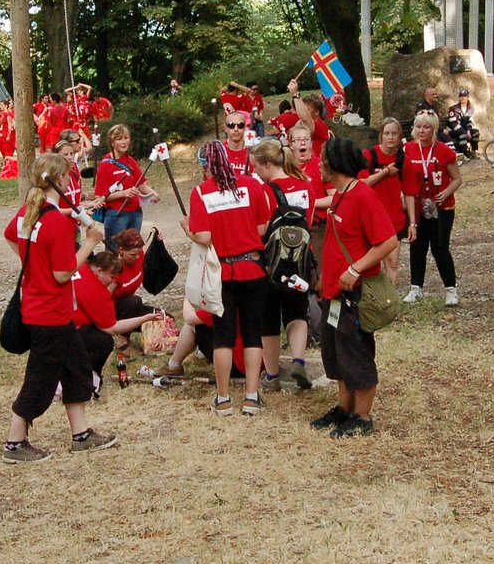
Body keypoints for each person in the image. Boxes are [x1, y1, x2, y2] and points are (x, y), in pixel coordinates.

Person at [2, 152, 118, 463]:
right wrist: (91, 242)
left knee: (77, 367)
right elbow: (63, 273)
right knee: (39, 379)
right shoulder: (54, 222)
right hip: (50, 313)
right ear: (62, 180)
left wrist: (31, 265)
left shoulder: (29, 213)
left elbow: (10, 236)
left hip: (46, 310)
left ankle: (81, 434)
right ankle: (15, 442)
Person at [309, 137, 400, 438]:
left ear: (334, 165)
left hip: (355, 293)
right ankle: (345, 408)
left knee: (356, 353)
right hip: (334, 292)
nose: (319, 165)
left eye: (322, 160)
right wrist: (326, 277)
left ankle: (362, 416)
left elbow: (388, 241)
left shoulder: (362, 196)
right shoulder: (340, 195)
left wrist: (355, 268)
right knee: (336, 352)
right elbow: (337, 242)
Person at [184, 139, 275, 414]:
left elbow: (204, 237)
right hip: (253, 268)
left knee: (223, 336)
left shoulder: (201, 192)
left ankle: (223, 399)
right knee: (251, 334)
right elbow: (262, 226)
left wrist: (188, 230)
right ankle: (251, 395)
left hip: (221, 272)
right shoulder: (251, 185)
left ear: (205, 165)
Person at [250, 138, 316, 390]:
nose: (255, 172)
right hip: (301, 261)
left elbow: (262, 229)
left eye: (256, 166)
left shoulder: (265, 191)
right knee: (297, 313)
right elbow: (308, 221)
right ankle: (299, 360)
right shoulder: (305, 185)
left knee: (269, 318)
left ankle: (273, 375)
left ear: (267, 164)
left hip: (271, 264)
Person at [74, 249, 162, 398]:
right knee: (103, 341)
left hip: (49, 322)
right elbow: (112, 328)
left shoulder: (80, 266)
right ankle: (86, 379)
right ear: (100, 271)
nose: (112, 281)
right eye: (112, 277)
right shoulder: (96, 292)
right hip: (69, 330)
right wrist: (144, 318)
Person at [400, 112, 462, 306]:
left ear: (434, 129)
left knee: (440, 247)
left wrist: (446, 192)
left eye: (426, 127)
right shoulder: (408, 149)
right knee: (417, 246)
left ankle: (451, 289)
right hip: (417, 207)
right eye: (418, 127)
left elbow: (457, 179)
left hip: (441, 207)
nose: (422, 131)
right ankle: (415, 288)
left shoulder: (444, 151)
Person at [361, 119, 408, 282]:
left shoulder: (402, 158)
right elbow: (361, 182)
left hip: (394, 217)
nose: (390, 137)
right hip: (372, 217)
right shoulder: (370, 155)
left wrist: (413, 222)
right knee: (369, 265)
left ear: (399, 136)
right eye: (386, 133)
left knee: (392, 263)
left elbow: (409, 190)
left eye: (394, 133)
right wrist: (384, 172)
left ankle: (390, 301)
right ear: (381, 135)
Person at [93, 124, 158, 241]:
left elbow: (141, 183)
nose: (124, 142)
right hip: (117, 214)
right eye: (119, 139)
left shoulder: (130, 161)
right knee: (116, 252)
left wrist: (153, 194)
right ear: (112, 142)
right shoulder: (105, 165)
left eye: (126, 138)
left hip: (135, 212)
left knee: (133, 248)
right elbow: (100, 197)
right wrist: (123, 193)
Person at [444, 89, 480, 162]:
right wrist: (465, 132)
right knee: (462, 134)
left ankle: (473, 152)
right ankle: (463, 154)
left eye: (465, 96)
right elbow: (453, 124)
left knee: (476, 132)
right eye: (461, 96)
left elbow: (470, 121)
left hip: (464, 130)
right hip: (454, 130)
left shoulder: (471, 109)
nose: (463, 98)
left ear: (468, 97)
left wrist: (469, 131)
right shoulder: (453, 109)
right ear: (459, 98)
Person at [220, 110, 252, 177]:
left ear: (245, 128)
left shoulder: (253, 152)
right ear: (225, 128)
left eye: (240, 125)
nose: (236, 129)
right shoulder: (219, 152)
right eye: (231, 125)